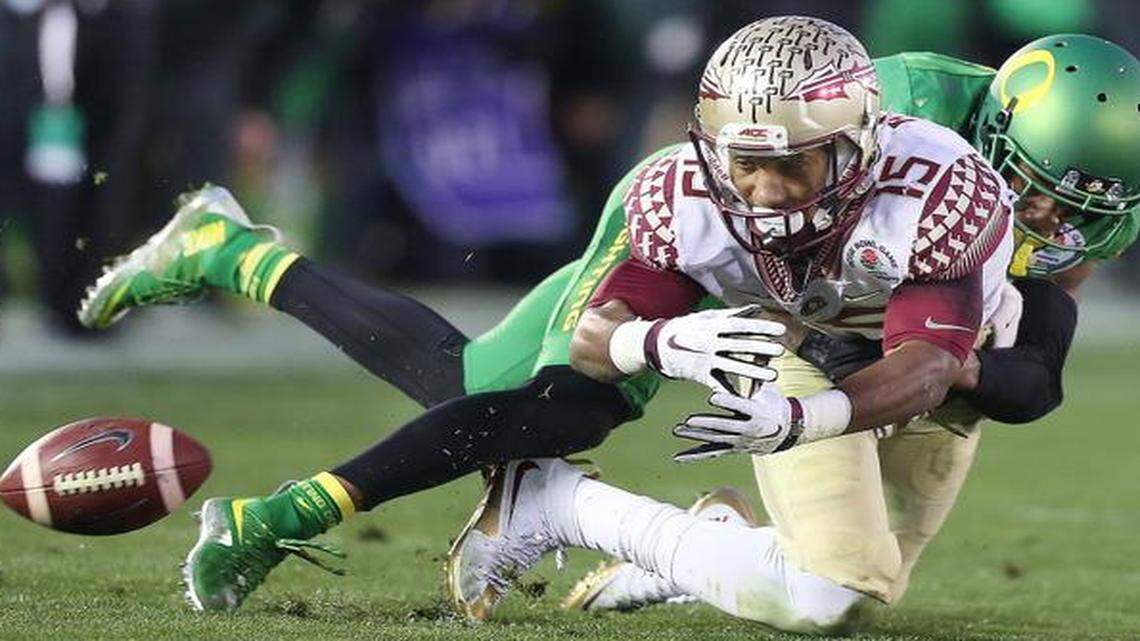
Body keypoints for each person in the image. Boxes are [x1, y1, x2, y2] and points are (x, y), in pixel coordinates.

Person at [77, 22, 1137, 617]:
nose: (1046, 218)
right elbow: (753, 191)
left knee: (860, 585)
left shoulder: (1005, 199)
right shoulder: (883, 119)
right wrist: (657, 339)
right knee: (519, 399)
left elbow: (1032, 357)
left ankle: (236, 252)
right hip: (745, 269)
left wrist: (918, 363)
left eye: (1077, 207)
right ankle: (240, 269)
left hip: (857, 319)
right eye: (1037, 188)